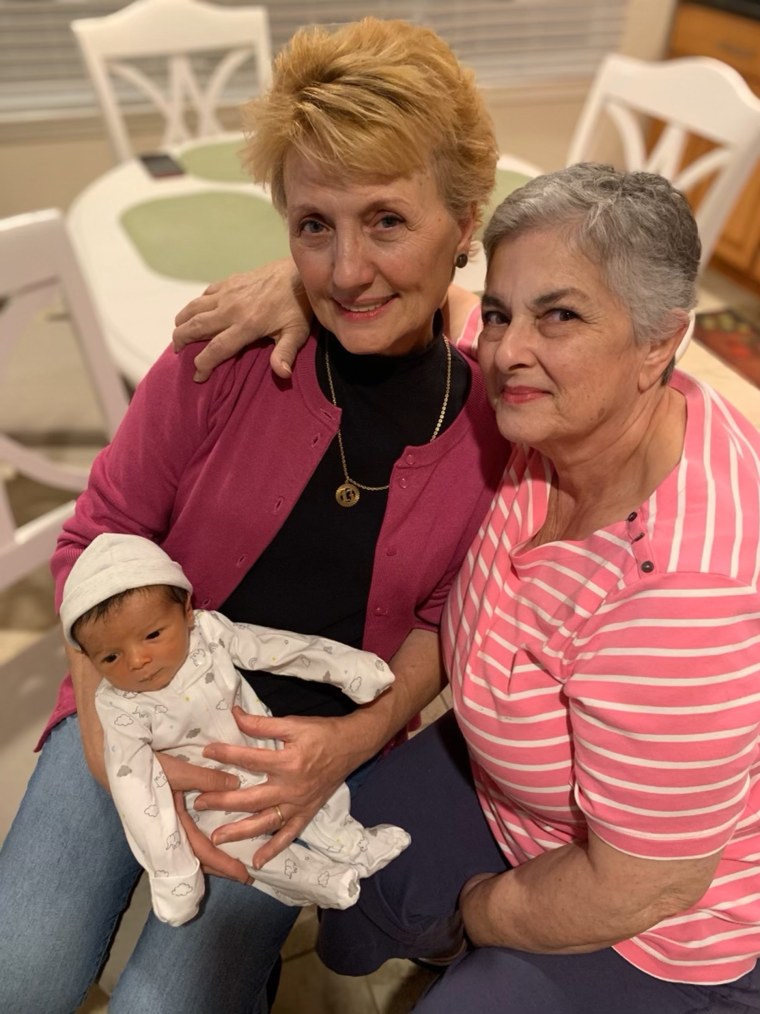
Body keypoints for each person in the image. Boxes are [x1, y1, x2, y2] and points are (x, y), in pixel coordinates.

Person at [0, 17, 508, 1014]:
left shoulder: (502, 424)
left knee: (168, 1003)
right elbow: (93, 538)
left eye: (387, 222)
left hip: (301, 758)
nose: (346, 270)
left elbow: (443, 622)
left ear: (466, 222)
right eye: (312, 226)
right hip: (137, 694)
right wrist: (120, 741)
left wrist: (347, 746)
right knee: (22, 972)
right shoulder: (222, 359)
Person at [311, 165, 760, 1012]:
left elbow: (639, 886)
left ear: (661, 341)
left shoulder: (686, 596)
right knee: (341, 859)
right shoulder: (556, 411)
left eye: (560, 315)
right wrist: (288, 291)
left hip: (657, 919)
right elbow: (400, 292)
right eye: (500, 312)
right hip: (511, 792)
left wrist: (487, 911)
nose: (508, 349)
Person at [61, 532, 410, 925]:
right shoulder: (117, 704)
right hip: (206, 798)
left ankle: (355, 844)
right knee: (238, 848)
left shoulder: (208, 635)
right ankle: (324, 881)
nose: (138, 660)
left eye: (153, 635)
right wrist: (172, 869)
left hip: (268, 753)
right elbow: (137, 791)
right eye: (111, 656)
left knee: (321, 790)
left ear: (187, 612)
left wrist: (350, 670)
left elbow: (276, 648)